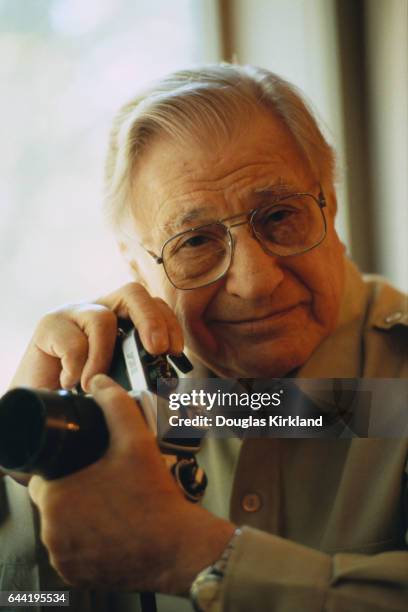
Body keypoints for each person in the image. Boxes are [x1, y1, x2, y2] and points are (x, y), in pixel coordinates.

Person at [1, 64, 407, 612]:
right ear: (135, 266)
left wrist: (196, 559)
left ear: (329, 205)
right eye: (194, 241)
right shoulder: (109, 399)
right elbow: (28, 601)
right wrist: (21, 463)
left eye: (280, 215)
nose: (256, 282)